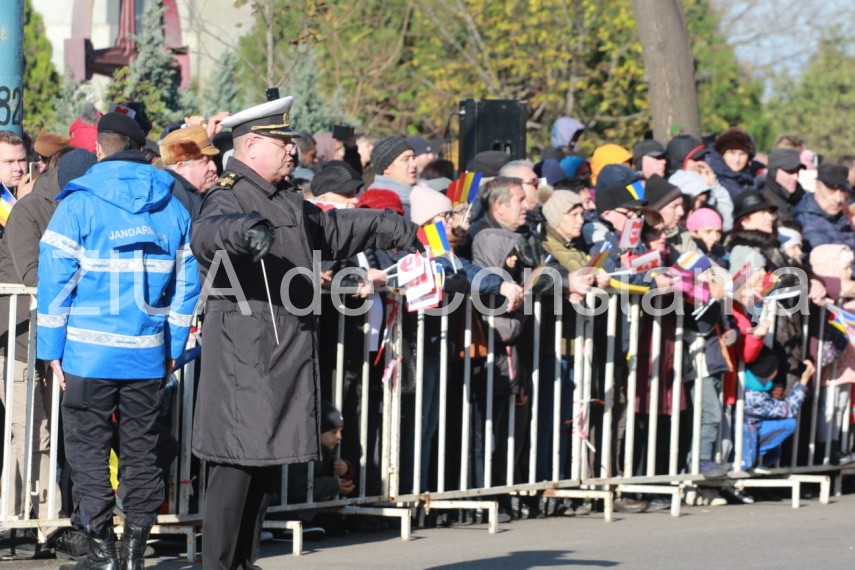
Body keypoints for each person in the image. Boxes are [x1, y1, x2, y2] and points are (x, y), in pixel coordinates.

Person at [190, 95, 422, 570]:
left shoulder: (286, 198)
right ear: (251, 145)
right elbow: (208, 232)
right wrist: (245, 232)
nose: (293, 151)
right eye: (282, 142)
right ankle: (217, 565)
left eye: (292, 142)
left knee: (262, 467)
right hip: (245, 351)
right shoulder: (230, 194)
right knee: (235, 468)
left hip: (279, 349)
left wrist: (390, 226)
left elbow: (332, 228)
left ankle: (243, 563)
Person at [37, 112, 201, 568]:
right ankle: (133, 550)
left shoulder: (79, 202)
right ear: (141, 149)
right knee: (140, 452)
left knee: (88, 453)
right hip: (147, 356)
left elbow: (55, 279)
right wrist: (171, 347)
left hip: (86, 355)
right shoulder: (171, 204)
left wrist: (50, 350)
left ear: (100, 150)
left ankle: (103, 551)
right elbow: (187, 286)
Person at [742, 349, 815, 471]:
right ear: (770, 371)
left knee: (775, 452)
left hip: (745, 429)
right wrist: (804, 381)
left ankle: (754, 459)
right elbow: (788, 409)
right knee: (789, 423)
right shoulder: (757, 397)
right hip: (747, 432)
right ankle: (752, 457)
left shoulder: (744, 384)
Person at [159, 125, 220, 220]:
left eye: (212, 160)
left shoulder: (192, 193)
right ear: (181, 167)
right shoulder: (172, 200)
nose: (213, 167)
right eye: (205, 162)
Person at [793, 163, 855, 255]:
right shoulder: (806, 221)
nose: (838, 199)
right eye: (831, 191)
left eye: (842, 191)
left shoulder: (846, 214)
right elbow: (833, 260)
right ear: (818, 186)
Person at [366, 136, 417, 214]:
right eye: (406, 159)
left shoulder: (422, 198)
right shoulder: (378, 206)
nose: (414, 164)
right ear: (386, 168)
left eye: (413, 158)